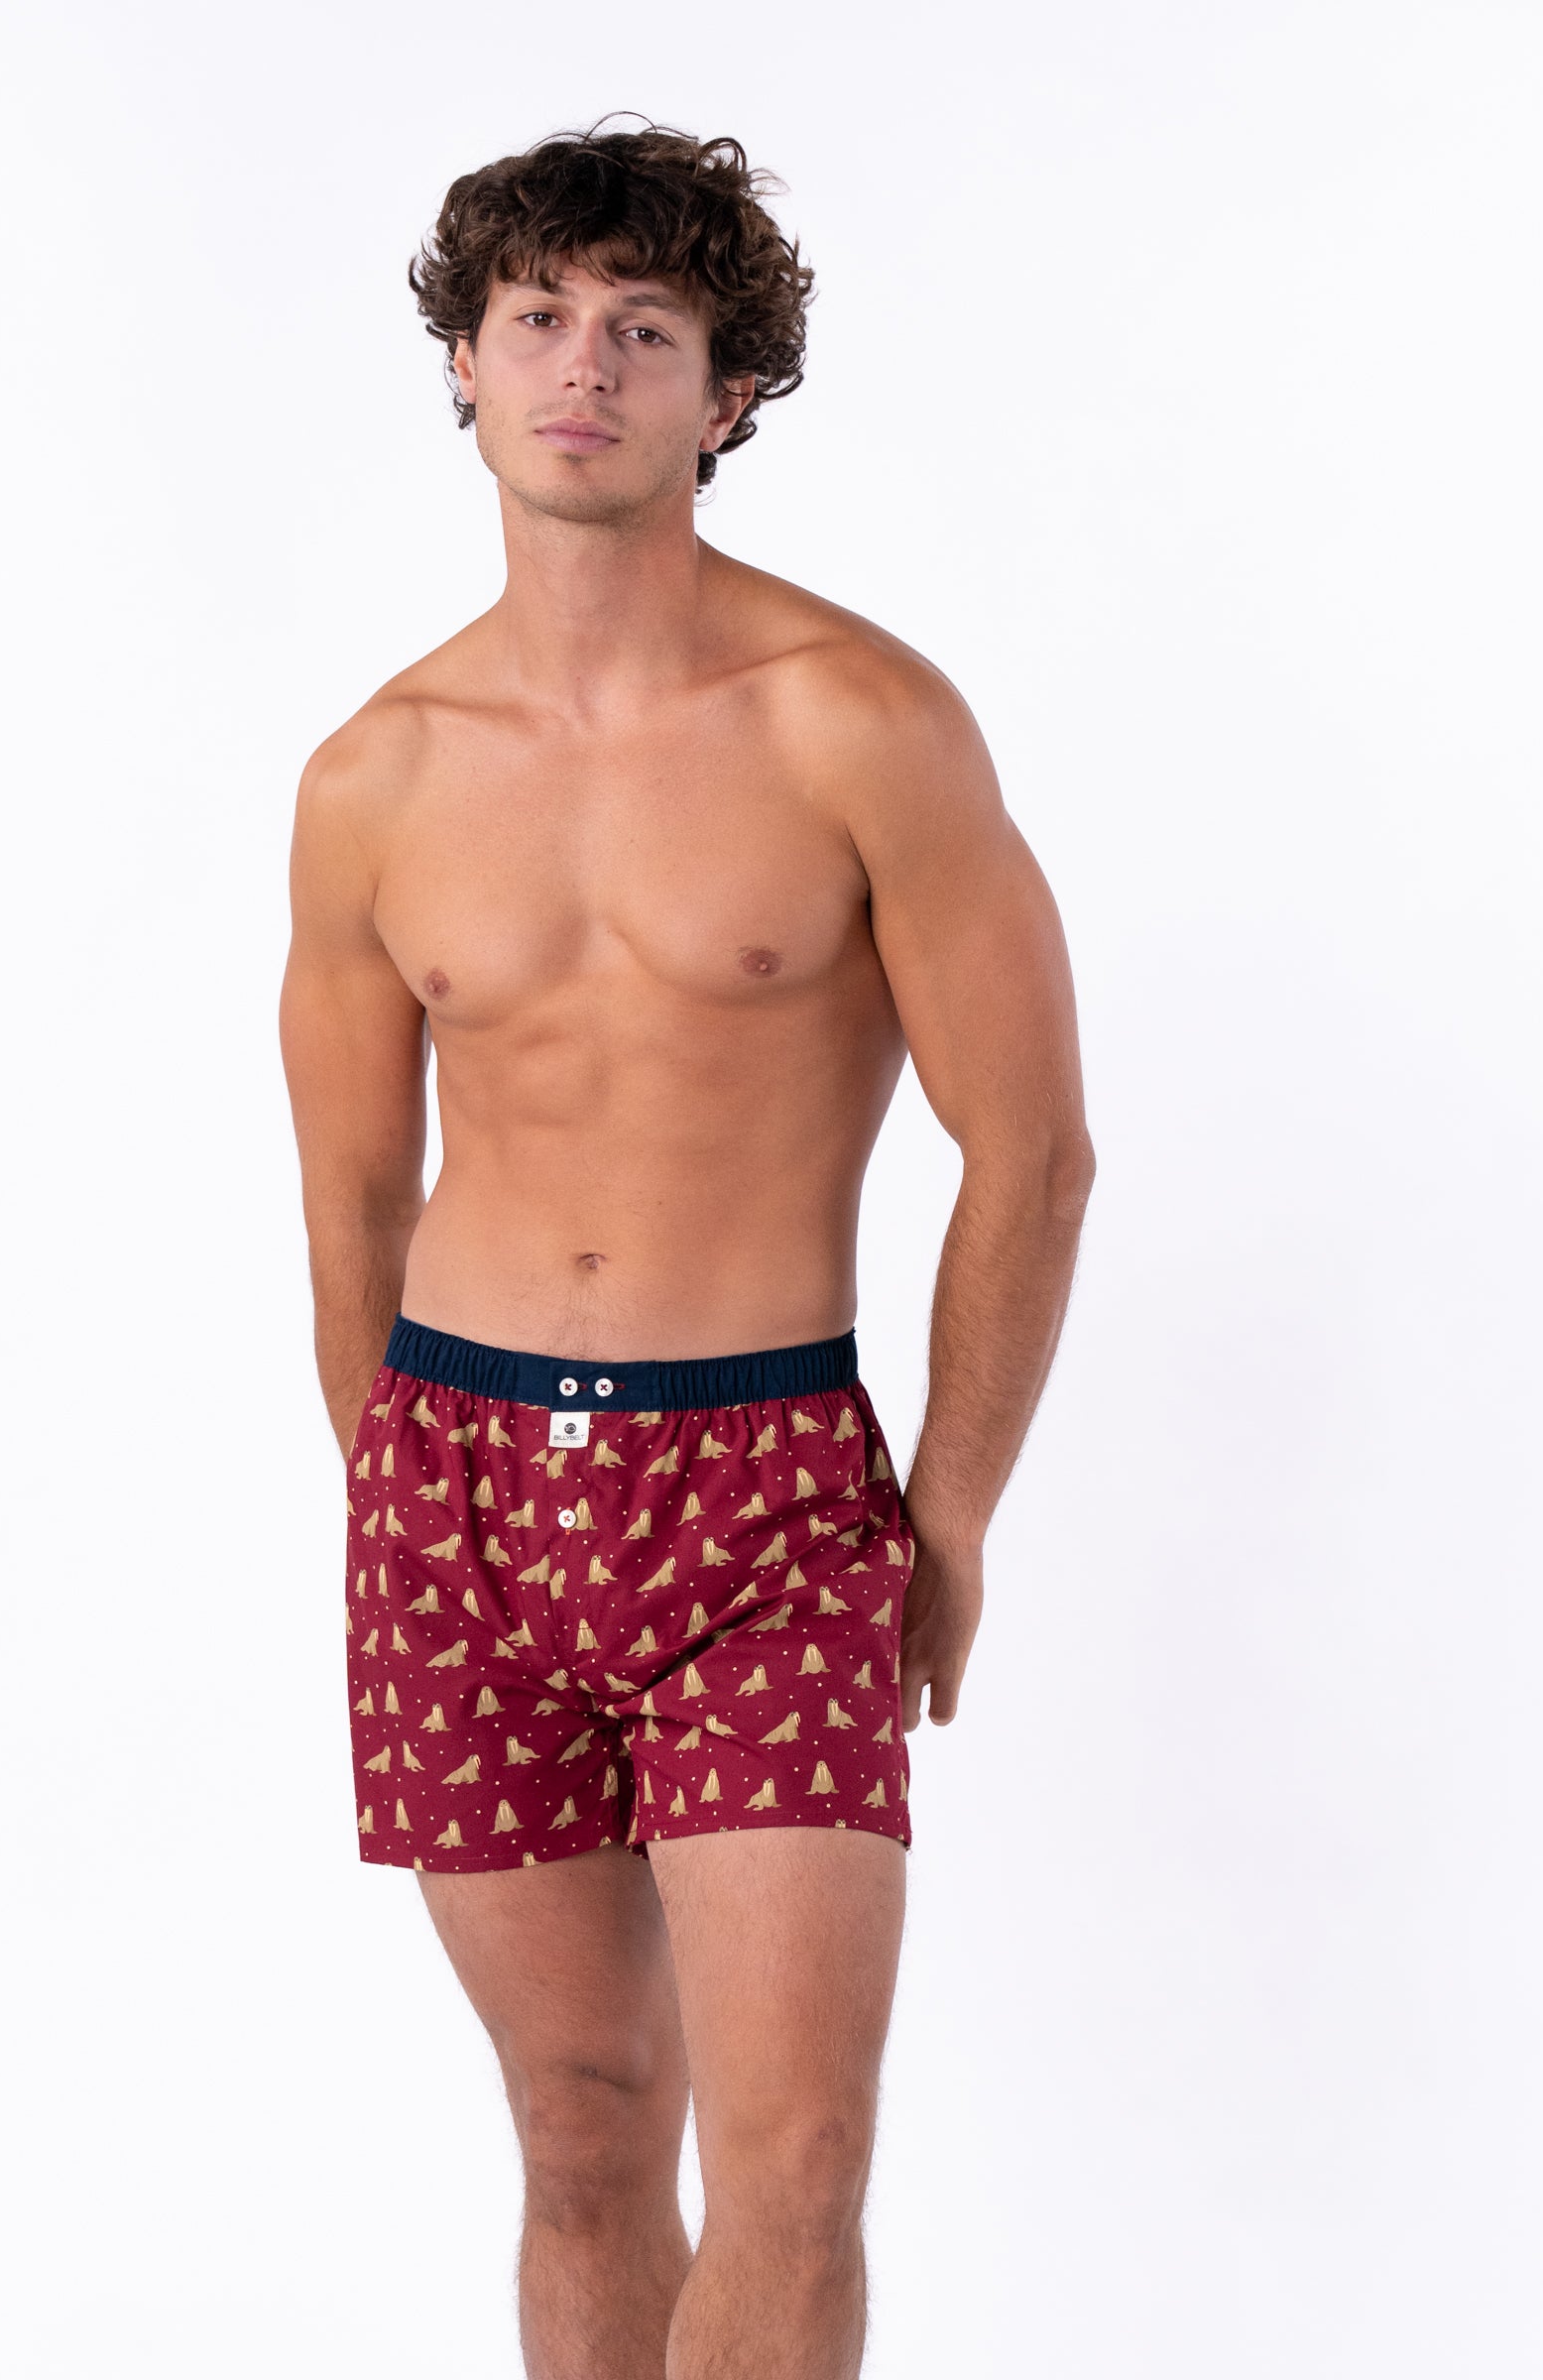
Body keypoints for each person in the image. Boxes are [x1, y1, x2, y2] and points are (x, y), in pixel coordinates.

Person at [278, 118, 1094, 2380]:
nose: (585, 366)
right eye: (537, 317)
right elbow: (348, 1193)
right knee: (580, 2126)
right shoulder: (374, 775)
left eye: (646, 329)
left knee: (798, 2163)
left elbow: (1031, 1150)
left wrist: (949, 1510)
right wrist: (393, 1497)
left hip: (766, 1493)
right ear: (462, 362)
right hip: (457, 1478)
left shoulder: (861, 724)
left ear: (730, 394)